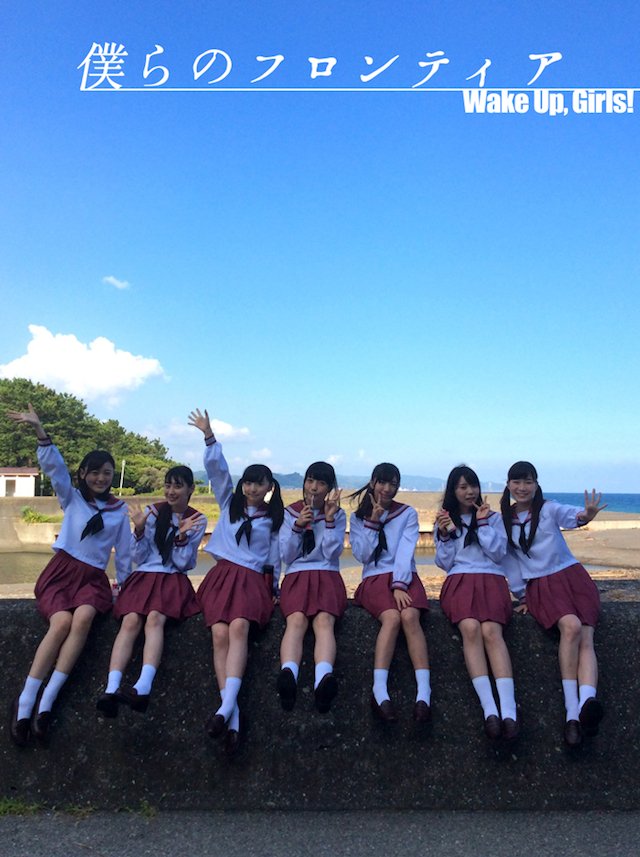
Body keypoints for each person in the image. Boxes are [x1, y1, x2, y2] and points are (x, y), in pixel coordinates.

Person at [7, 405, 131, 747]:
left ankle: (48, 701)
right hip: (62, 573)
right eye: (95, 472)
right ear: (84, 474)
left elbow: (124, 554)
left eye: (107, 473)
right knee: (61, 622)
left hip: (92, 580)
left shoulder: (118, 511)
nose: (101, 478)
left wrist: (125, 587)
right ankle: (25, 703)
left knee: (85, 616)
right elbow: (56, 469)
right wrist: (40, 431)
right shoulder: (72, 499)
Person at [188, 408, 282, 756]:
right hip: (223, 575)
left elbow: (275, 558)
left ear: (270, 487)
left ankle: (225, 709)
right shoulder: (229, 503)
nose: (252, 488)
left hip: (252, 579)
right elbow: (218, 472)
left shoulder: (273, 519)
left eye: (259, 483)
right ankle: (232, 713)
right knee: (219, 634)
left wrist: (275, 590)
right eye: (248, 482)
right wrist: (209, 436)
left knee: (239, 628)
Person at [500, 461, 606, 747]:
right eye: (517, 482)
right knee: (571, 627)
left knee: (586, 637)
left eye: (528, 482)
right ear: (508, 485)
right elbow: (510, 563)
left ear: (536, 485)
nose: (522, 488)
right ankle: (572, 713)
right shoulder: (504, 520)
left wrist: (586, 515)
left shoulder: (547, 509)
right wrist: (522, 595)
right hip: (541, 584)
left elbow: (571, 515)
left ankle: (586, 705)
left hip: (572, 577)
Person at [96, 466, 206, 718]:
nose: (171, 491)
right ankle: (111, 688)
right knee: (130, 621)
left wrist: (181, 537)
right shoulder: (152, 512)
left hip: (172, 578)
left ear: (190, 489)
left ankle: (143, 687)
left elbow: (184, 563)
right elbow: (139, 556)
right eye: (168, 485)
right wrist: (139, 530)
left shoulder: (197, 519)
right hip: (145, 575)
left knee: (155, 618)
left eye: (178, 486)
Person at [435, 465, 524, 742]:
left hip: (491, 579)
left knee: (492, 632)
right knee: (471, 629)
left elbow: (498, 553)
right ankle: (490, 711)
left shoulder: (493, 518)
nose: (469, 491)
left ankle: (509, 712)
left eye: (472, 485)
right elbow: (445, 563)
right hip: (460, 580)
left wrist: (483, 524)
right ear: (453, 491)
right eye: (462, 487)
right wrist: (445, 535)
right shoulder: (446, 520)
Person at [350, 463, 431, 723]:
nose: (387, 489)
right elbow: (362, 555)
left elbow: (405, 551)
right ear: (373, 482)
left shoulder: (407, 513)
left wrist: (399, 584)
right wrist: (373, 522)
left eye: (393, 484)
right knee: (392, 618)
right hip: (374, 577)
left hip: (404, 575)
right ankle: (379, 690)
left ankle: (424, 693)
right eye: (382, 482)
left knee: (410, 616)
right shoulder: (358, 517)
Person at [277, 461, 346, 714]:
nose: (314, 487)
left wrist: (328, 520)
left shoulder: (337, 514)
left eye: (321, 483)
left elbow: (332, 552)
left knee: (324, 621)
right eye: (310, 481)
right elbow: (286, 555)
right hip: (297, 574)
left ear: (329, 488)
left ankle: (323, 679)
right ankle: (288, 675)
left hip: (326, 574)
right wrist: (297, 526)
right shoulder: (290, 512)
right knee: (295, 620)